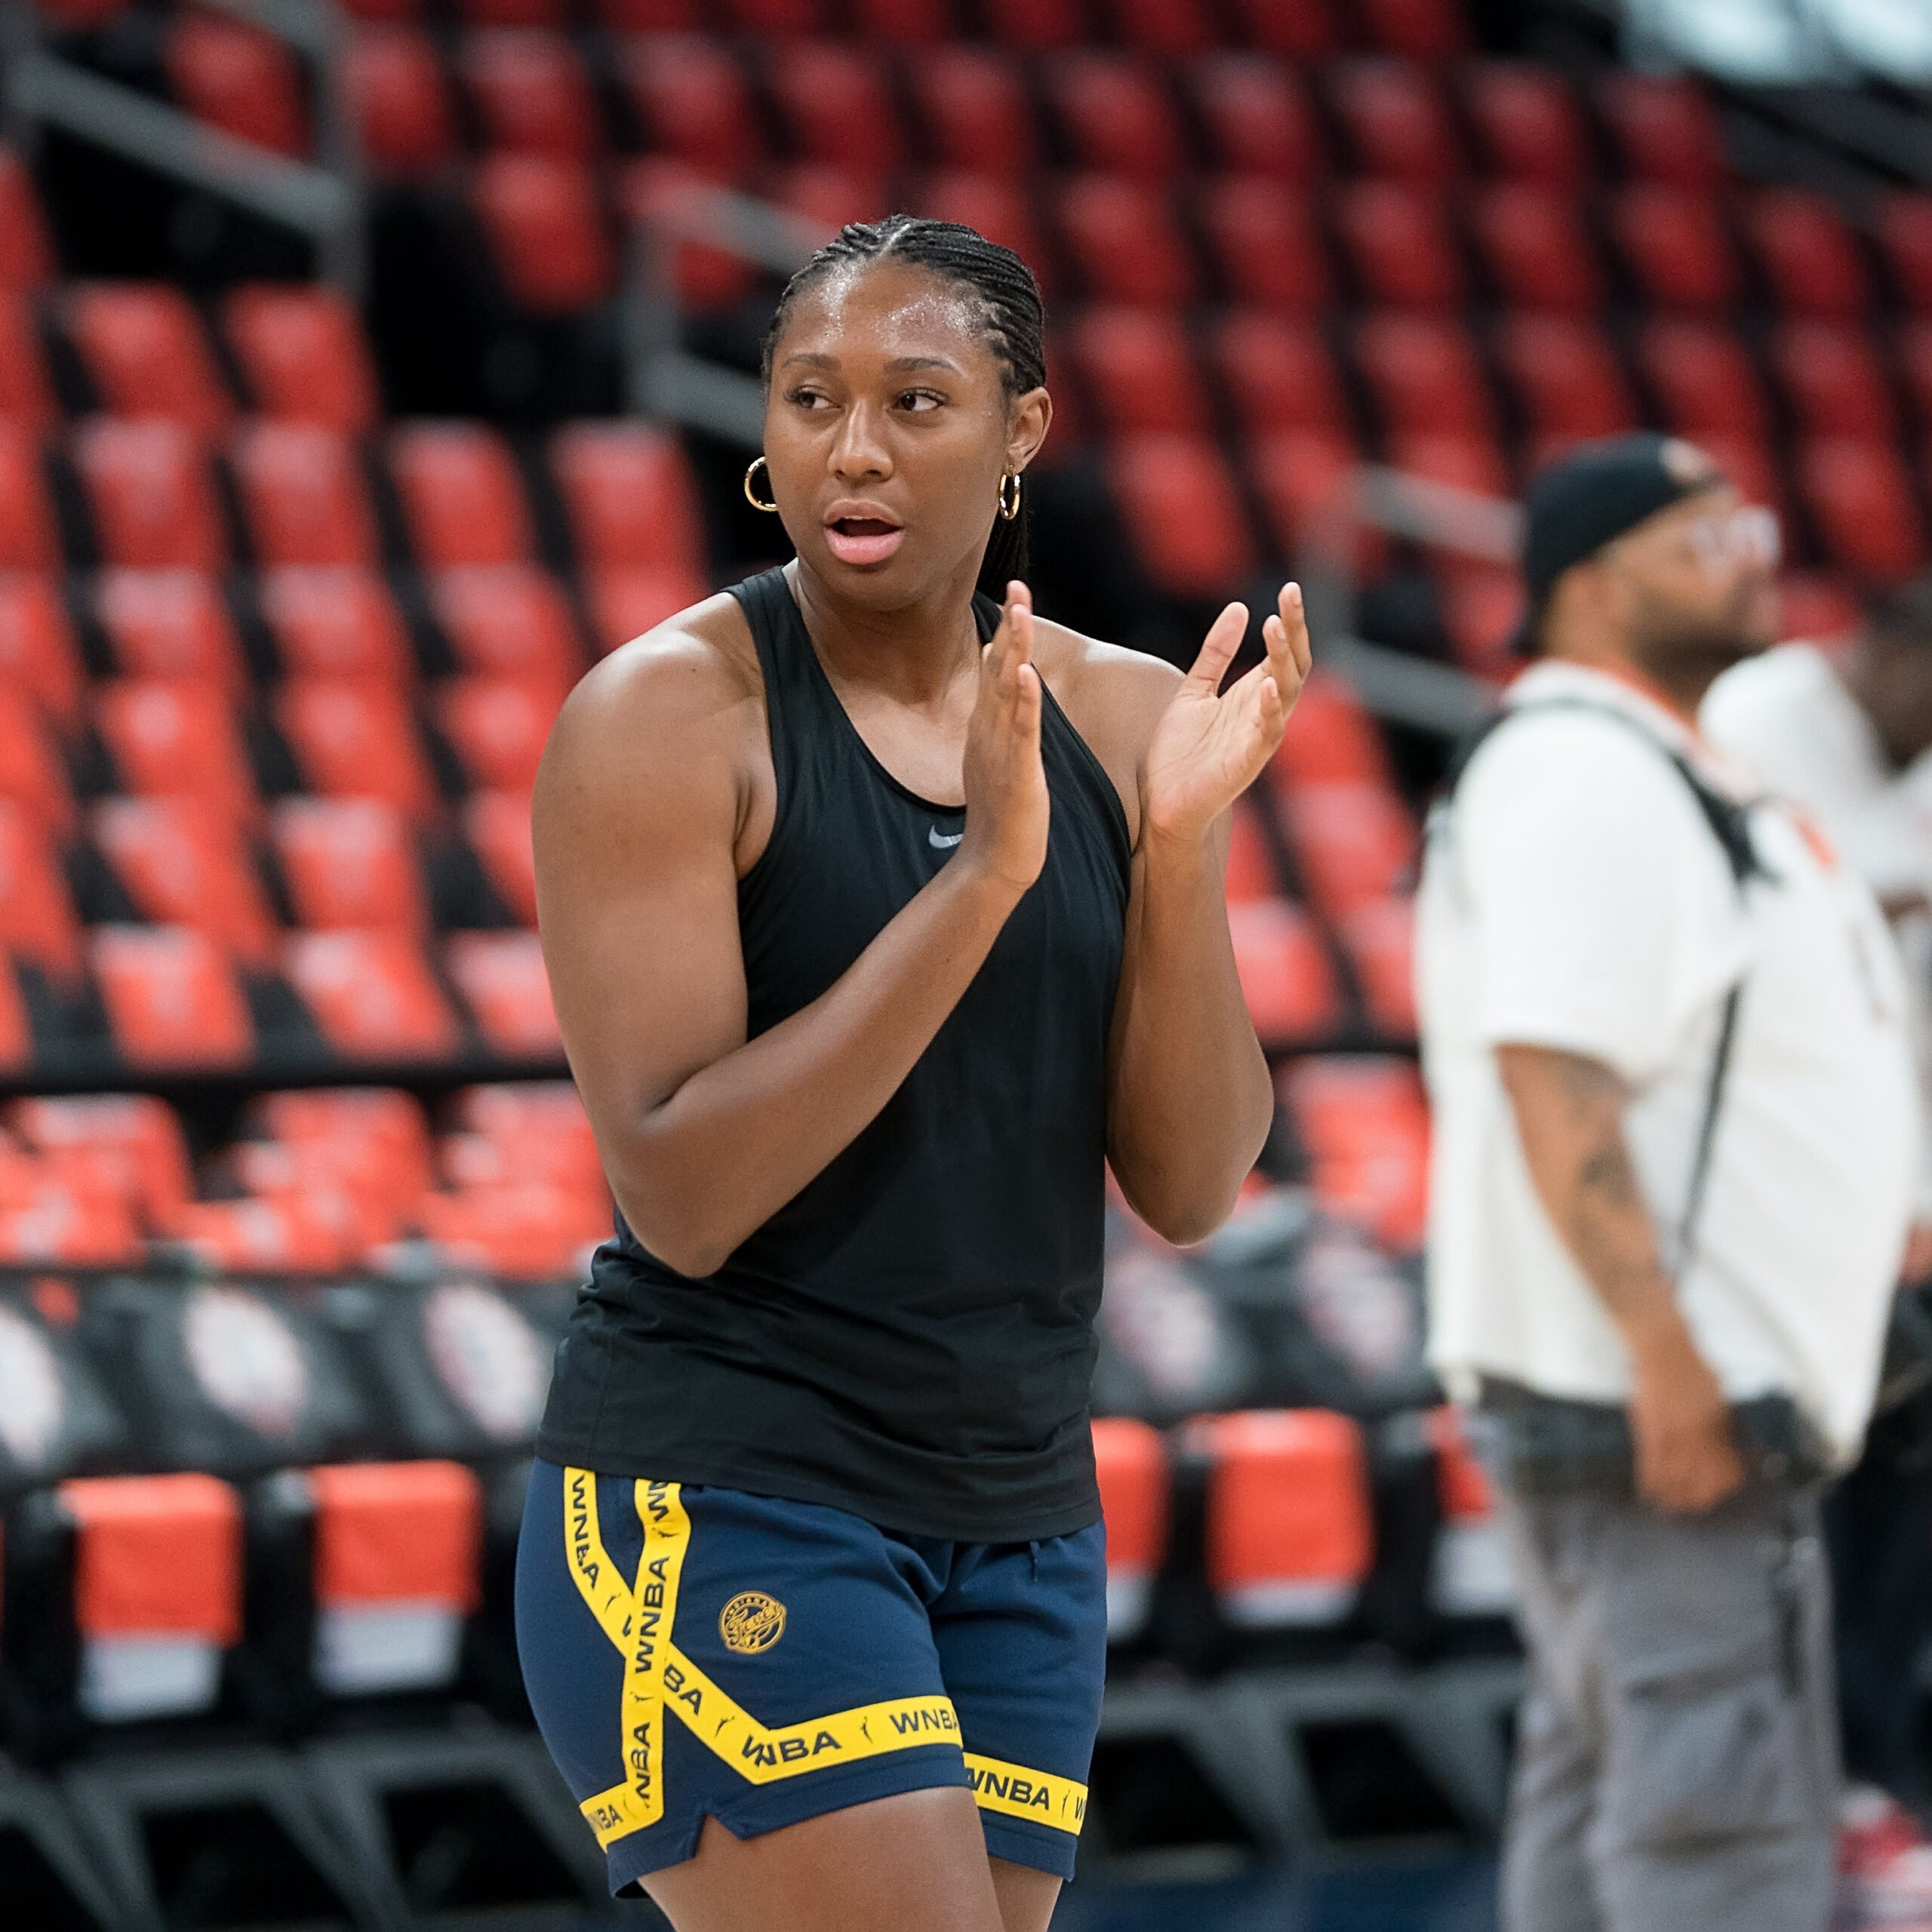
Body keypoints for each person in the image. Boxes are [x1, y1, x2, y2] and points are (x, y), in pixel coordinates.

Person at [512, 214, 1311, 1932]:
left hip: (1017, 1507)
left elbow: (1186, 1181)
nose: (852, 447)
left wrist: (1172, 850)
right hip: (724, 1487)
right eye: (810, 398)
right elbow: (682, 1192)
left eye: (914, 400)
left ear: (1023, 429)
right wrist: (978, 883)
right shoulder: (663, 721)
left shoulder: (1119, 718)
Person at [1417, 432, 1920, 1932]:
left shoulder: (1641, 761)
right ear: (1586, 582)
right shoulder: (1581, 768)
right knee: (1715, 1832)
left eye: (1751, 522)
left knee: (1606, 1795)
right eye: (1701, 533)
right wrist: (1667, 1363)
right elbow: (1553, 1076)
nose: (1751, 551)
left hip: (1654, 1390)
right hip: (1659, 1403)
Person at [1703, 579, 1932, 1810]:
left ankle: (1870, 1781)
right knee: (1805, 1525)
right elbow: (1739, 932)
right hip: (1775, 1205)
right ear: (1892, 654)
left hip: (1902, 1202)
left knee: (1903, 1520)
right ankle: (1801, 1788)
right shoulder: (1759, 717)